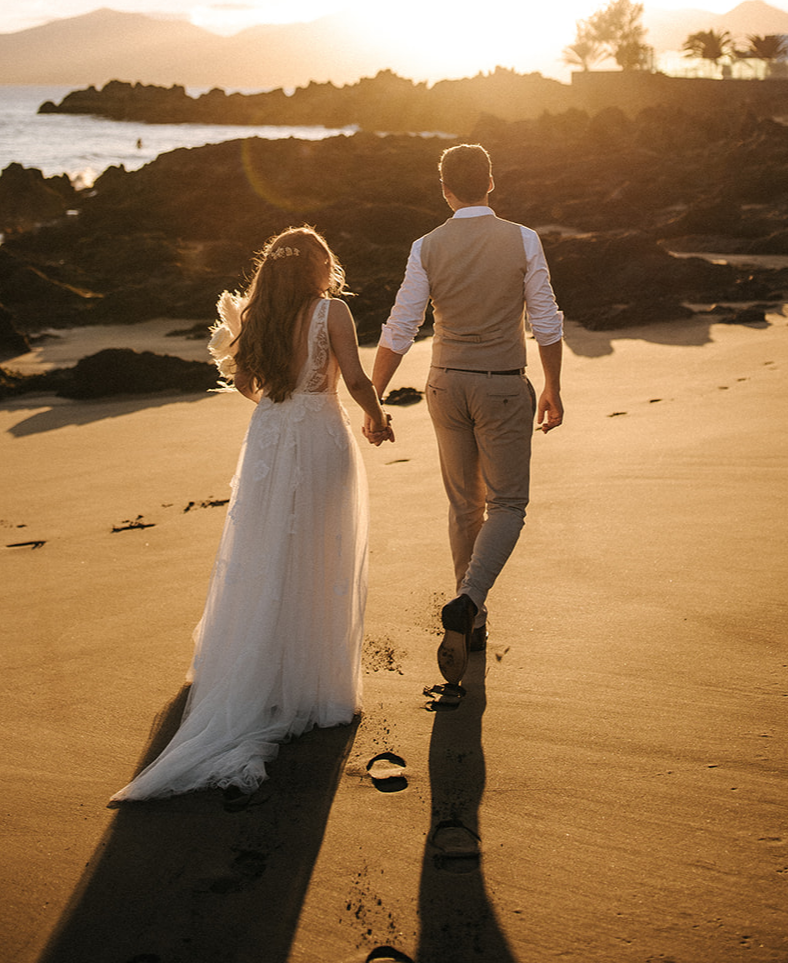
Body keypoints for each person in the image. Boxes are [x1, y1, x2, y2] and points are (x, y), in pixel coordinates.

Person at [110, 225, 391, 803]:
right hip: (318, 433)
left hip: (270, 433)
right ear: (320, 266)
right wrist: (377, 417)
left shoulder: (256, 314)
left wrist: (276, 407)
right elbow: (356, 377)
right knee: (319, 548)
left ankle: (256, 667)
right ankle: (312, 684)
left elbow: (243, 381)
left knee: (265, 548)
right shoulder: (331, 312)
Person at [368, 144, 564, 685]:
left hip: (445, 386)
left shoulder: (426, 246)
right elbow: (545, 321)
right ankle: (469, 599)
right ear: (491, 183)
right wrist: (552, 386)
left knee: (464, 505)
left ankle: (471, 621)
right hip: (501, 386)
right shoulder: (523, 240)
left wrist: (375, 395)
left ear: (445, 189)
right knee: (507, 504)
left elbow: (401, 324)